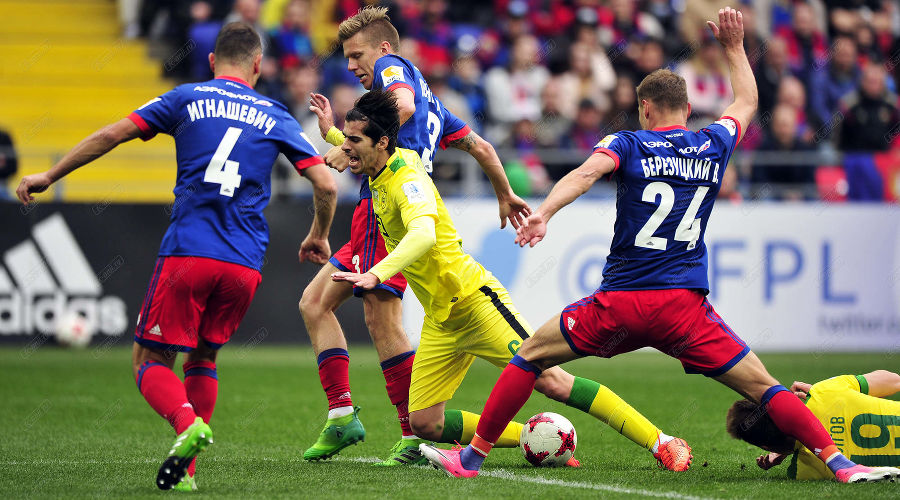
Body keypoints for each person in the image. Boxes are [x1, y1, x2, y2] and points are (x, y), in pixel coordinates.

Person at [420, 8, 900, 484]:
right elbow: (748, 102)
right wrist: (733, 48)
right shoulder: (712, 143)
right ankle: (842, 465)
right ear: (688, 110)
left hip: (621, 305)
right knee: (765, 387)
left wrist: (545, 212)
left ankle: (472, 459)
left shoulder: (628, 143)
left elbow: (586, 175)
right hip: (684, 311)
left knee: (528, 357)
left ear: (645, 108)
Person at [15, 22, 337, 491]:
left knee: (148, 360)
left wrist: (52, 173)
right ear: (257, 65)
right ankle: (186, 474)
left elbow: (112, 134)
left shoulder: (185, 97)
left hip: (190, 250)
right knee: (204, 357)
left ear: (211, 61)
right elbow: (326, 183)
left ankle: (187, 426)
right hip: (245, 262)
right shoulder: (277, 113)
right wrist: (318, 235)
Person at [330, 89, 694, 473]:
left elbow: (423, 235)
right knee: (425, 423)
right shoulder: (379, 165)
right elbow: (359, 148)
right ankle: (534, 437)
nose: (348, 148)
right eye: (347, 139)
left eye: (354, 140)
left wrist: (376, 272)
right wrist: (331, 135)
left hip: (475, 300)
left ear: (382, 142)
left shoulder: (405, 179)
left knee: (552, 380)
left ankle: (662, 442)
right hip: (441, 319)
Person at [298, 6, 531, 466]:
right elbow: (481, 146)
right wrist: (505, 194)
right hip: (383, 208)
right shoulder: (436, 102)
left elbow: (398, 108)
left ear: (383, 49)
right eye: (346, 58)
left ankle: (407, 432)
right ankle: (347, 413)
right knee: (315, 303)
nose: (350, 66)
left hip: (389, 206)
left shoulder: (392, 69)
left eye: (356, 54)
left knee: (380, 321)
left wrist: (343, 148)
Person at [728, 369, 900, 480]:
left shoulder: (803, 473)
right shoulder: (826, 391)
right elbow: (894, 380)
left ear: (765, 446)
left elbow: (800, 440)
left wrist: (784, 448)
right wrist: (824, 387)